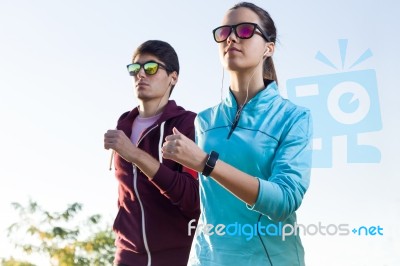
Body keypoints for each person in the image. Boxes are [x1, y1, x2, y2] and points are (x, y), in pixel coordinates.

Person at [162, 2, 312, 266]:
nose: (230, 37)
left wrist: (205, 164)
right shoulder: (205, 121)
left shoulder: (293, 117)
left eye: (244, 30)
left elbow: (285, 200)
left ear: (269, 47)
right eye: (224, 32)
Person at [104, 40, 200, 266]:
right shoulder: (123, 125)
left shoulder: (188, 124)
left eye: (151, 68)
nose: (141, 75)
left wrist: (135, 155)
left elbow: (193, 198)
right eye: (135, 69)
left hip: (176, 255)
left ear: (173, 77)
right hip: (126, 255)